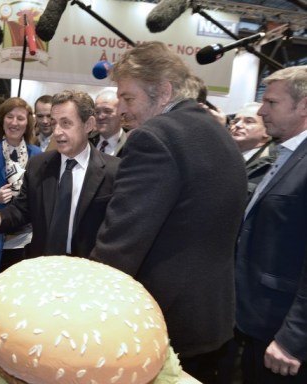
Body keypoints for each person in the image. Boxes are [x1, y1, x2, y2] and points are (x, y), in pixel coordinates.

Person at [89, 41, 247, 383]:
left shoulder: (154, 137)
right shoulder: (216, 132)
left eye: (128, 98)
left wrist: (87, 301)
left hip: (165, 322)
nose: (121, 110)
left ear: (162, 91)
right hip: (212, 317)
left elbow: (122, 241)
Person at [0, 90, 120, 260]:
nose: (57, 131)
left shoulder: (114, 171)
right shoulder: (38, 165)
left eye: (66, 123)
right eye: (54, 123)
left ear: (88, 125)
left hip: (89, 268)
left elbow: (117, 230)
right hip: (42, 265)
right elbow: (21, 210)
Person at [235, 66, 307, 383]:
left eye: (272, 103)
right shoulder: (286, 154)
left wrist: (294, 336)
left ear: (304, 105)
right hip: (258, 321)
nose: (262, 111)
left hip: (284, 337)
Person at [0, 97, 42, 283]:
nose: (14, 123)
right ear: (2, 120)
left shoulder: (38, 155)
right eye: (10, 117)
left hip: (27, 236)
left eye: (20, 118)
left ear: (28, 123)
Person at [89, 90, 128, 157]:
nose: (100, 117)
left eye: (107, 111)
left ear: (121, 114)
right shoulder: (87, 143)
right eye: (97, 112)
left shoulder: (130, 145)